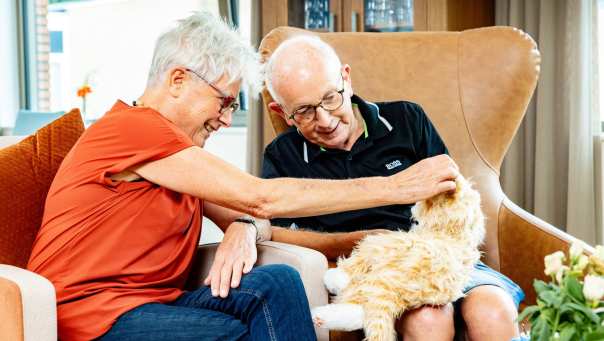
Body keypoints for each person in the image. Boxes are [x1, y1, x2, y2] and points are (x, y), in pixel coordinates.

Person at [26, 12, 458, 341]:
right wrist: (396, 187)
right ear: (178, 80)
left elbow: (253, 213)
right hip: (91, 315)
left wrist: (245, 229)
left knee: (277, 281)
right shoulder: (135, 129)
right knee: (231, 335)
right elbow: (260, 197)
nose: (226, 118)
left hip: (152, 304)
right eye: (224, 101)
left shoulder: (179, 156)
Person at [262, 35, 525, 341]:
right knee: (428, 319)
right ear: (283, 114)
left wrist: (435, 252)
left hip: (439, 255)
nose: (325, 120)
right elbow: (277, 234)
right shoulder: (282, 156)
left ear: (346, 79)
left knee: (492, 311)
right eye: (304, 112)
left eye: (330, 98)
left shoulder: (406, 119)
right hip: (371, 273)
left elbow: (453, 200)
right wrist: (357, 241)